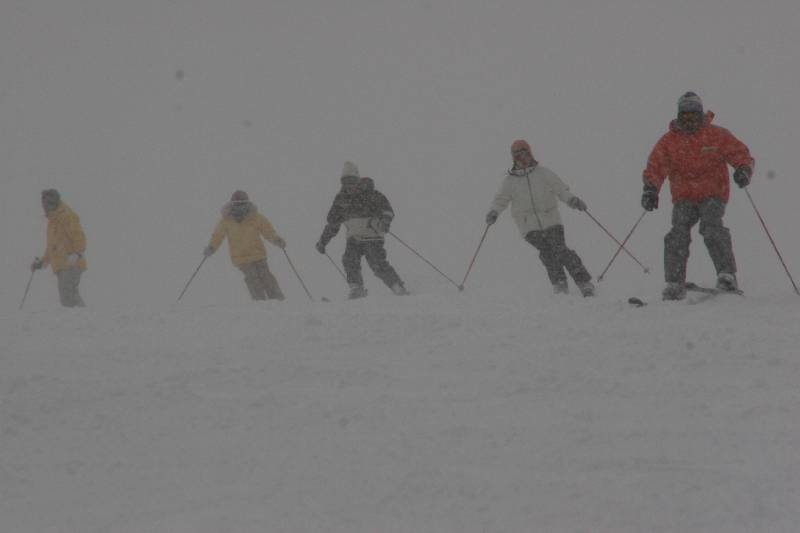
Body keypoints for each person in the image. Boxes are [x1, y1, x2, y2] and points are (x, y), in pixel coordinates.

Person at [641, 92, 754, 300]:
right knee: (678, 232)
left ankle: (726, 274)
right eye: (685, 115)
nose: (689, 120)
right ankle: (674, 282)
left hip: (713, 193)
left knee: (711, 226)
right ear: (679, 115)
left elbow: (740, 153)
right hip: (684, 197)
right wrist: (651, 189)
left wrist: (743, 169)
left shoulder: (716, 135)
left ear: (700, 114)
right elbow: (656, 166)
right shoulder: (669, 142)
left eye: (693, 115)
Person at [485, 139, 595, 296]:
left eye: (525, 154)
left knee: (560, 250)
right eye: (518, 155)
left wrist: (572, 200)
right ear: (514, 158)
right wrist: (494, 212)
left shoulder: (543, 173)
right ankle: (560, 284)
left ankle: (584, 282)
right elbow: (500, 200)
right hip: (528, 226)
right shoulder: (510, 182)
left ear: (530, 154)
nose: (522, 158)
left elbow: (560, 189)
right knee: (547, 253)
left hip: (552, 221)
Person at [315, 162, 407, 299]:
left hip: (372, 235)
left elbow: (387, 210)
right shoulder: (341, 200)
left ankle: (397, 286)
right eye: (346, 182)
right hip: (354, 238)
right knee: (349, 260)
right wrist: (323, 242)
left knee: (376, 262)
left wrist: (385, 221)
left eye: (352, 181)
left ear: (358, 180)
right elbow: (333, 224)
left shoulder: (371, 194)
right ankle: (356, 288)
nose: (349, 185)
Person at [204, 190, 286, 301]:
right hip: (241, 258)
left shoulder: (256, 217)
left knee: (266, 276)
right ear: (232, 204)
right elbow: (217, 236)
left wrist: (276, 240)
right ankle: (260, 302)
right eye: (237, 204)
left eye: (242, 203)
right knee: (252, 278)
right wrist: (211, 247)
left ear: (247, 203)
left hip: (258, 254)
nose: (240, 206)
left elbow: (267, 231)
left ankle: (278, 300)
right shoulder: (226, 220)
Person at [30, 189, 87, 307]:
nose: (43, 207)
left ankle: (82, 317)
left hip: (71, 263)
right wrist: (42, 262)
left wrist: (77, 254)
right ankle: (83, 316)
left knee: (68, 297)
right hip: (62, 265)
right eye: (43, 204)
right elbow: (52, 247)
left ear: (53, 203)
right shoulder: (53, 221)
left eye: (45, 204)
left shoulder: (67, 216)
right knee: (69, 296)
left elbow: (79, 237)